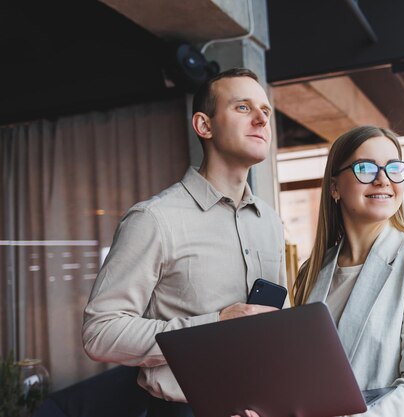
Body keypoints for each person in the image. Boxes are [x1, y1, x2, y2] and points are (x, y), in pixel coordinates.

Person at [82, 68, 287, 417]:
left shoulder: (270, 221)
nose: (260, 119)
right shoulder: (154, 219)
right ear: (204, 126)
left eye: (265, 111)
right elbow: (100, 333)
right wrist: (215, 325)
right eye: (242, 107)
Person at [294, 125, 404, 416]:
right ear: (334, 187)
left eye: (393, 168)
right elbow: (306, 379)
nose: (383, 180)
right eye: (366, 168)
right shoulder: (313, 272)